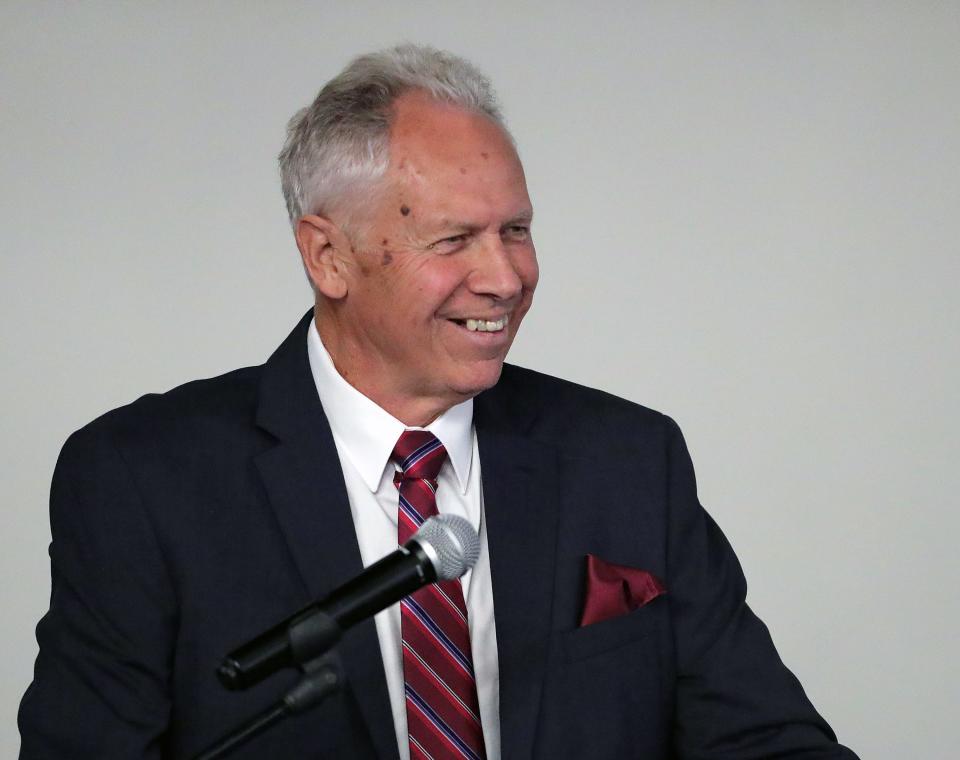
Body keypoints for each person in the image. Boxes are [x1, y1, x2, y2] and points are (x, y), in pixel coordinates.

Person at [18, 45, 858, 759]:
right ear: (329, 258)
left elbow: (768, 742)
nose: (505, 278)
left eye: (516, 230)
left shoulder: (628, 459)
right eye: (455, 239)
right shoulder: (141, 480)